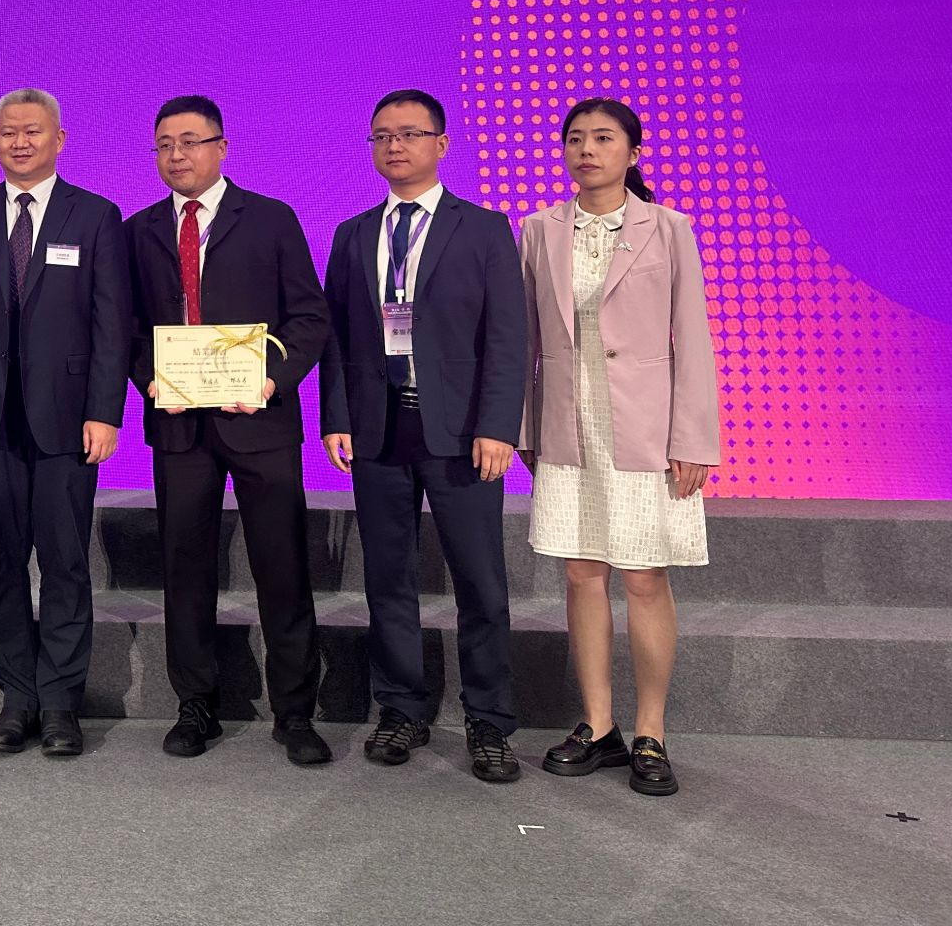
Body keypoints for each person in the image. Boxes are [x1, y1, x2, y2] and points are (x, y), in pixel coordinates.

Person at [319, 89, 527, 781]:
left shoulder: (484, 228)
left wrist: (498, 425)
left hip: (462, 432)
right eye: (381, 136)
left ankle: (489, 721)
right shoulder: (353, 234)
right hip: (378, 430)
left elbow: (507, 338)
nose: (395, 146)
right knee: (388, 580)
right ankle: (401, 708)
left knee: (481, 584)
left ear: (441, 144)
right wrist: (337, 415)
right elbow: (338, 337)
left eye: (409, 133)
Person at [520, 97, 720, 797]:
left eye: (604, 138)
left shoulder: (668, 228)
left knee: (643, 577)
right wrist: (525, 428)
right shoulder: (538, 230)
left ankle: (651, 731)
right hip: (567, 424)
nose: (587, 150)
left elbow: (692, 336)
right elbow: (524, 340)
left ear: (633, 153)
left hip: (647, 429)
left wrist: (693, 436)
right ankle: (599, 724)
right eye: (576, 138)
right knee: (582, 573)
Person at [128, 95, 332, 766]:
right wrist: (149, 378)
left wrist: (270, 380)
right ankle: (196, 705)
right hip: (179, 427)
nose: (176, 155)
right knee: (185, 568)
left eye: (190, 141)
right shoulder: (139, 230)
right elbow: (125, 327)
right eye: (164, 144)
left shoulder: (271, 219)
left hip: (261, 421)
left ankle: (295, 712)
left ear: (221, 147)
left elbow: (309, 319)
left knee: (282, 567)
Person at [0, 88, 131, 759]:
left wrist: (105, 411)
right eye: (8, 133)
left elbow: (112, 327)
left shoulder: (95, 215)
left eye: (32, 131)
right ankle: (17, 698)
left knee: (66, 562)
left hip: (68, 423)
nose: (20, 142)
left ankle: (62, 702)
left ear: (59, 139)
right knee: (0, 561)